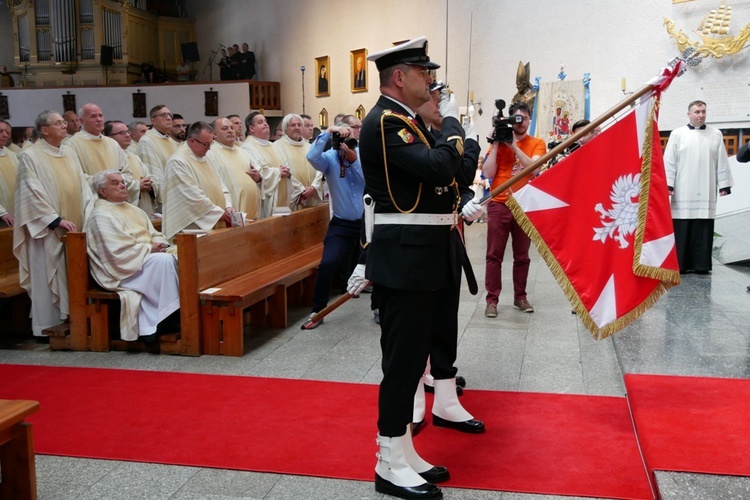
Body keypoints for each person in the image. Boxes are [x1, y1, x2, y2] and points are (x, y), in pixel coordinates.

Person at [346, 36, 481, 499]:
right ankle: (387, 462)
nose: (432, 82)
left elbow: (457, 175)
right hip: (405, 258)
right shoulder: (386, 122)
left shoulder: (408, 121)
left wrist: (447, 139)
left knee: (414, 355)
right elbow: (444, 167)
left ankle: (403, 452)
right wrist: (454, 128)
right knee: (402, 366)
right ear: (399, 77)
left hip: (425, 253)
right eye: (425, 73)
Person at [409, 81, 484, 436]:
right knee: (415, 326)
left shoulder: (444, 133)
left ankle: (445, 400)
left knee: (445, 322)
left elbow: (464, 174)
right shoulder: (406, 132)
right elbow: (441, 168)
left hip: (446, 237)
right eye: (435, 94)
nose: (439, 101)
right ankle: (413, 399)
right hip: (415, 242)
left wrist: (468, 137)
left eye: (442, 96)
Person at [13, 110, 93, 336]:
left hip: (75, 228)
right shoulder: (30, 156)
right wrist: (55, 220)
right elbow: (29, 193)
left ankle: (73, 320)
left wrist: (88, 211)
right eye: (58, 123)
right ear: (44, 130)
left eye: (64, 122)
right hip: (47, 231)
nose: (64, 126)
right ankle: (46, 327)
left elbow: (82, 185)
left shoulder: (69, 152)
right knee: (47, 279)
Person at [84, 170, 179, 343]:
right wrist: (149, 248)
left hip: (143, 260)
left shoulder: (134, 210)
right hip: (123, 270)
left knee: (180, 255)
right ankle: (164, 319)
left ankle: (172, 313)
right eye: (115, 183)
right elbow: (115, 252)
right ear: (102, 191)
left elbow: (155, 233)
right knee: (164, 261)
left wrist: (159, 243)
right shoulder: (100, 215)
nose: (122, 185)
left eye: (123, 182)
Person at [483, 101, 546, 317]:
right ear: (510, 120)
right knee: (494, 255)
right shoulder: (498, 142)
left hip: (524, 204)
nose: (520, 123)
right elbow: (488, 173)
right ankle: (491, 300)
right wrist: (495, 143)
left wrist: (513, 146)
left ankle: (520, 297)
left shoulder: (537, 143)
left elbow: (535, 169)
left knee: (522, 256)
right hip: (499, 203)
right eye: (516, 119)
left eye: (525, 118)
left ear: (530, 119)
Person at [305, 117, 365, 329]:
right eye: (345, 135)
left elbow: (367, 181)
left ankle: (379, 308)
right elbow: (311, 156)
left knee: (378, 265)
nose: (346, 141)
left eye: (356, 130)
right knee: (328, 263)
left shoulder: (363, 156)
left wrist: (353, 159)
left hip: (367, 223)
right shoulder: (329, 158)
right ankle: (318, 310)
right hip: (341, 223)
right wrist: (328, 131)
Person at [664, 100, 732, 274]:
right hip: (683, 187)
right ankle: (681, 264)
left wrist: (724, 184)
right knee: (683, 223)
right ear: (689, 114)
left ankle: (701, 265)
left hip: (706, 186)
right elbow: (670, 161)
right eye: (697, 112)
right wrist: (668, 184)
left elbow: (721, 160)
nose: (700, 115)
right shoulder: (677, 134)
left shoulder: (715, 134)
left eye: (703, 112)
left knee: (703, 225)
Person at [162, 121, 234, 240]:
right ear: (191, 141)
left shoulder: (208, 157)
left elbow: (221, 185)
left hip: (215, 221)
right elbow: (192, 197)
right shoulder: (178, 162)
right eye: (206, 144)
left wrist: (228, 206)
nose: (209, 148)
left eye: (211, 143)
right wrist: (218, 213)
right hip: (190, 227)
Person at [66, 103, 140, 202]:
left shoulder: (112, 143)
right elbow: (74, 177)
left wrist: (117, 183)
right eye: (93, 116)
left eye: (100, 115)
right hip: (92, 202)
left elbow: (127, 172)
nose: (99, 119)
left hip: (118, 202)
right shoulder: (72, 145)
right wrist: (105, 184)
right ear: (82, 121)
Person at [207, 117, 262, 220]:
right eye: (224, 128)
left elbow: (259, 174)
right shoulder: (210, 154)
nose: (230, 131)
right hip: (230, 213)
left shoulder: (243, 152)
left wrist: (258, 177)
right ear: (214, 134)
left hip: (253, 214)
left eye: (232, 128)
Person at [240, 112, 292, 217]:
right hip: (265, 200)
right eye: (260, 122)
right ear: (251, 128)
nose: (265, 124)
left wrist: (287, 171)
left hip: (281, 196)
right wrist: (278, 172)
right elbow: (258, 174)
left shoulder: (273, 145)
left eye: (265, 121)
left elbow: (285, 163)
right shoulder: (247, 147)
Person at [105, 120, 158, 216]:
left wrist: (150, 184)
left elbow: (148, 174)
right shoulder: (109, 157)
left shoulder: (134, 155)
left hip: (145, 205)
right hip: (126, 210)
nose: (127, 135)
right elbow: (112, 182)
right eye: (122, 133)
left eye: (127, 132)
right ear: (109, 138)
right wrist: (138, 185)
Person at [272, 113, 322, 210]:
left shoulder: (309, 147)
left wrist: (314, 187)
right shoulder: (277, 147)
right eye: (293, 125)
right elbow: (285, 171)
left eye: (299, 125)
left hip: (312, 196)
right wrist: (301, 190)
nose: (296, 127)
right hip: (292, 198)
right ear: (285, 128)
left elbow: (319, 168)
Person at [137, 104, 180, 207]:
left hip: (177, 196)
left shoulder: (171, 141)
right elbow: (153, 173)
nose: (169, 118)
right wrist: (167, 199)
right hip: (164, 201)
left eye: (170, 115)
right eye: (163, 115)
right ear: (153, 121)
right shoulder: (147, 141)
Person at [0, 119, 18, 227]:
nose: (5, 135)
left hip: (17, 215)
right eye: (0, 131)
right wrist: (2, 212)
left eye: (6, 132)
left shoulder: (13, 156)